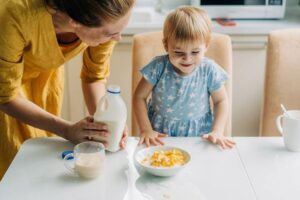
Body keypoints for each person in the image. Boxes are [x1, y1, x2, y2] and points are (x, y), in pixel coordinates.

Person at [0, 0, 135, 179]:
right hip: (6, 90)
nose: (118, 38)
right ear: (75, 23)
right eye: (111, 33)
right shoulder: (15, 14)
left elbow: (94, 77)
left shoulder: (104, 16)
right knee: (12, 167)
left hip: (43, 82)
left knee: (39, 163)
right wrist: (66, 130)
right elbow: (5, 96)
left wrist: (104, 125)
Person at [133, 6, 236, 149]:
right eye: (178, 51)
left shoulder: (209, 70)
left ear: (206, 46)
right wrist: (146, 129)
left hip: (198, 137)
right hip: (160, 137)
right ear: (166, 45)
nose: (187, 59)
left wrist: (218, 130)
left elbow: (221, 100)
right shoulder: (158, 67)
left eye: (195, 52)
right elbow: (139, 97)